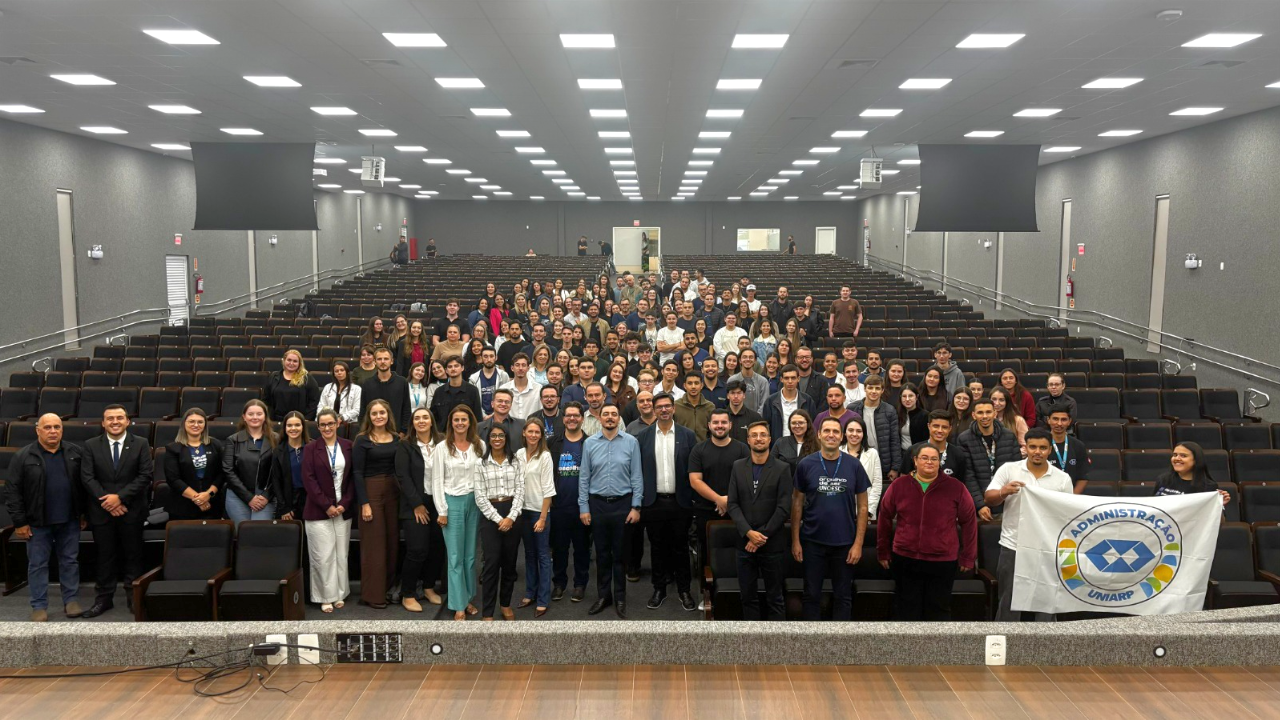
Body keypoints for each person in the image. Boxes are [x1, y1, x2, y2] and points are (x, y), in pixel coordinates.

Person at [878, 443, 977, 621]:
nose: (929, 462)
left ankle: (936, 649)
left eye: (934, 459)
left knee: (938, 609)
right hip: (906, 558)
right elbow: (884, 517)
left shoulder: (956, 487)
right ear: (915, 461)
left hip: (943, 560)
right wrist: (883, 551)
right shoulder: (899, 485)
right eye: (924, 458)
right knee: (906, 608)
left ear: (940, 463)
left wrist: (968, 556)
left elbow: (969, 522)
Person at [985, 429, 1075, 622]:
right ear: (1025, 447)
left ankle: (1045, 648)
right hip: (1013, 546)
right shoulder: (1009, 470)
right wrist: (1004, 491)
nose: (1037, 452)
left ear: (1050, 450)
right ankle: (1003, 646)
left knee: (1047, 603)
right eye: (1032, 447)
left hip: (1047, 549)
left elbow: (1067, 515)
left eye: (1043, 448)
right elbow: (989, 498)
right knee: (1009, 601)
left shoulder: (1062, 479)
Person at [5, 413, 85, 622]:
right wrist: (19, 522)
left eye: (57, 427)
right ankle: (39, 606)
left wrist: (83, 514)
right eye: (47, 427)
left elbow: (84, 486)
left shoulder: (75, 453)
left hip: (69, 520)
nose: (52, 431)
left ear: (62, 430)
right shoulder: (23, 456)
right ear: (37, 430)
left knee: (69, 561)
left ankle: (71, 600)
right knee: (38, 564)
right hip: (37, 523)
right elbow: (12, 492)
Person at [792, 417, 870, 621]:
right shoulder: (805, 464)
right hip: (812, 541)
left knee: (843, 597)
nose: (831, 435)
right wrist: (795, 540)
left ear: (842, 436)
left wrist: (859, 544)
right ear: (818, 435)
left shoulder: (854, 465)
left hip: (845, 543)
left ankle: (840, 647)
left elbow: (862, 507)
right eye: (826, 431)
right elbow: (797, 504)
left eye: (836, 432)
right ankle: (811, 646)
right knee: (811, 596)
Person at [78, 405, 152, 618]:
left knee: (133, 555)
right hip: (101, 512)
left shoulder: (140, 443)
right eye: (110, 418)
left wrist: (119, 498)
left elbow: (145, 475)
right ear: (103, 423)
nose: (115, 421)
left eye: (119, 417)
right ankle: (104, 599)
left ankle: (133, 597)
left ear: (128, 421)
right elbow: (87, 477)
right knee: (104, 557)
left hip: (132, 510)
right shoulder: (91, 445)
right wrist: (108, 501)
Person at [578, 403, 644, 618]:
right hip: (596, 505)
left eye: (613, 414)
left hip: (622, 505)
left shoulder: (631, 442)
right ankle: (603, 596)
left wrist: (636, 506)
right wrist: (584, 507)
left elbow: (637, 477)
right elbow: (584, 478)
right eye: (605, 414)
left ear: (618, 419)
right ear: (600, 419)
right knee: (601, 554)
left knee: (620, 554)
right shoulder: (589, 443)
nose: (609, 418)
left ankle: (621, 597)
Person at [635, 393, 699, 612]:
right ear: (653, 410)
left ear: (673, 408)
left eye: (667, 406)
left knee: (681, 548)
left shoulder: (687, 435)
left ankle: (684, 590)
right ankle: (659, 589)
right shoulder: (643, 437)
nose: (663, 410)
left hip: (680, 501)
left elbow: (693, 469)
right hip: (653, 502)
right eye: (659, 407)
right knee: (657, 548)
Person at [724, 420, 792, 620]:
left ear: (770, 439)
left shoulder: (782, 468)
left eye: (763, 435)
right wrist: (749, 533)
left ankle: (777, 646)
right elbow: (733, 504)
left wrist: (762, 536)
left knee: (775, 597)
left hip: (772, 545)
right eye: (754, 435)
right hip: (744, 543)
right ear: (748, 440)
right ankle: (751, 646)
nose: (759, 438)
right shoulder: (737, 467)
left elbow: (783, 508)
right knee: (748, 597)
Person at [688, 409, 750, 595]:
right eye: (716, 423)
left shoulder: (742, 449)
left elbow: (747, 479)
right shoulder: (699, 449)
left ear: (730, 425)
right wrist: (718, 499)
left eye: (724, 422)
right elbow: (695, 481)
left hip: (737, 510)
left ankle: (739, 593)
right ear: (709, 426)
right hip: (706, 511)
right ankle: (706, 594)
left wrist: (728, 501)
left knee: (739, 553)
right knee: (707, 555)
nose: (720, 426)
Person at [433, 405, 484, 621]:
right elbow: (436, 480)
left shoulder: (479, 445)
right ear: (451, 423)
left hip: (474, 502)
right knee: (455, 557)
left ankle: (468, 597)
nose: (460, 423)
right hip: (451, 503)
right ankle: (458, 604)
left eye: (464, 419)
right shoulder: (442, 448)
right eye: (457, 420)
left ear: (470, 422)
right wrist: (442, 510)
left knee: (470, 556)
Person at [301, 410, 354, 613]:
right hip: (318, 509)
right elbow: (309, 480)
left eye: (330, 423)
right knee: (322, 556)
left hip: (343, 508)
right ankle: (325, 596)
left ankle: (340, 593)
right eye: (322, 425)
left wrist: (344, 503)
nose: (327, 428)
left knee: (341, 553)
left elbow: (352, 479)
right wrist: (327, 505)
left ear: (338, 423)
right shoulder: (311, 448)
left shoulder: (348, 446)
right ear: (318, 426)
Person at [394, 408, 444, 613]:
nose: (421, 421)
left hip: (439, 503)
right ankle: (407, 593)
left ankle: (429, 587)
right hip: (414, 505)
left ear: (431, 421)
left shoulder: (442, 442)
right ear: (412, 423)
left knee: (436, 547)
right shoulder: (405, 445)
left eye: (425, 417)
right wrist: (417, 504)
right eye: (417, 418)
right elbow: (402, 477)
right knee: (417, 549)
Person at [353, 399, 401, 608]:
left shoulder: (397, 438)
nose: (379, 416)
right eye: (374, 413)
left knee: (392, 543)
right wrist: (364, 503)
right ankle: (373, 595)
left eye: (382, 412)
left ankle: (388, 589)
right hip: (370, 492)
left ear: (388, 414)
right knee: (374, 546)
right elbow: (357, 473)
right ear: (369, 417)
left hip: (393, 492)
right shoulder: (362, 440)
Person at [475, 424, 525, 621]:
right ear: (488, 439)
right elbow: (479, 496)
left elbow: (521, 490)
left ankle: (505, 605)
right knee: (491, 565)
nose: (497, 438)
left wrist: (511, 517)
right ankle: (487, 611)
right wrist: (498, 519)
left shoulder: (516, 461)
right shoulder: (481, 464)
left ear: (506, 438)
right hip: (491, 516)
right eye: (493, 435)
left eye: (501, 435)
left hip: (513, 514)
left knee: (510, 564)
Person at [549, 403, 591, 602]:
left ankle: (580, 584)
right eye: (568, 415)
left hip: (583, 506)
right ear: (563, 418)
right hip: (558, 506)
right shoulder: (552, 443)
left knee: (582, 548)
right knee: (559, 549)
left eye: (576, 415)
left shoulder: (591, 443)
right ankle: (559, 583)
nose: (572, 419)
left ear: (582, 418)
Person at [957, 398, 1020, 523]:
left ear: (995, 413)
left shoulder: (1009, 436)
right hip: (980, 504)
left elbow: (1017, 470)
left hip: (1007, 503)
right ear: (974, 415)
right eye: (980, 413)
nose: (984, 416)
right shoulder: (964, 439)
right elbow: (968, 476)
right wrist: (980, 504)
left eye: (988, 412)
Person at [222, 399, 284, 525]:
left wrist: (267, 496)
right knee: (243, 533)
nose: (255, 417)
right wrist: (249, 498)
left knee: (259, 533)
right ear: (244, 417)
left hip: (265, 497)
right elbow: (228, 470)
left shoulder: (277, 439)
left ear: (265, 416)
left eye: (259, 414)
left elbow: (281, 471)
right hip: (238, 495)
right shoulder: (233, 440)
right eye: (250, 414)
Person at [517, 418, 556, 616]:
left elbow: (549, 490)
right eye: (530, 431)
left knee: (542, 556)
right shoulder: (518, 454)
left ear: (541, 435)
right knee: (529, 555)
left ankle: (543, 598)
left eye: (537, 432)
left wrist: (542, 518)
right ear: (524, 433)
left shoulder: (545, 456)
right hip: (522, 512)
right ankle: (530, 593)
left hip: (539, 512)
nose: (533, 435)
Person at [164, 408, 225, 522]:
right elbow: (173, 479)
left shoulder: (215, 444)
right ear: (184, 424)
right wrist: (198, 499)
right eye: (191, 421)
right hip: (182, 506)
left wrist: (208, 495)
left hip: (212, 505)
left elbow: (221, 474)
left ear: (205, 425)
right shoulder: (173, 448)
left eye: (200, 422)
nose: (196, 425)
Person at [849, 375, 902, 486]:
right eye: (870, 388)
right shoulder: (852, 408)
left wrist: (895, 467)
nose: (874, 391)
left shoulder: (890, 410)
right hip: (858, 460)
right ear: (865, 389)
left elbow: (895, 440)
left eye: (877, 388)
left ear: (882, 390)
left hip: (883, 463)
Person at [903, 411, 970, 488]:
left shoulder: (958, 454)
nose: (940, 430)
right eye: (936, 426)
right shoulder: (913, 451)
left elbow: (961, 486)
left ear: (950, 428)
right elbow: (903, 481)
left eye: (944, 427)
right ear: (929, 426)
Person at [1154, 442, 1232, 506]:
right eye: (1175, 455)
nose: (1177, 458)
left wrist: (1219, 505)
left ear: (1196, 460)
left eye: (1183, 456)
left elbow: (1215, 521)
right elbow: (1152, 507)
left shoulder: (1208, 486)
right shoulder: (1163, 480)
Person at [269, 411, 310, 523]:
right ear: (285, 428)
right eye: (289, 425)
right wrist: (284, 508)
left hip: (310, 500)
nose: (293, 428)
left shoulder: (312, 447)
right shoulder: (278, 451)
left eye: (297, 425)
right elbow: (276, 481)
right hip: (288, 501)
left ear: (303, 427)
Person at [841, 418, 884, 520]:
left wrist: (869, 510)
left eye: (859, 431)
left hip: (865, 509)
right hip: (841, 509)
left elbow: (876, 484)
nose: (854, 434)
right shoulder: (837, 452)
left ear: (864, 434)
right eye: (851, 430)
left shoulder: (873, 453)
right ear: (845, 433)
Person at [262, 349, 321, 421]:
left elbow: (314, 400)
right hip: (275, 420)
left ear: (299, 363)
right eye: (289, 360)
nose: (291, 363)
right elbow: (266, 399)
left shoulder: (307, 378)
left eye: (295, 361)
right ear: (284, 361)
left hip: (298, 420)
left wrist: (306, 418)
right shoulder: (273, 377)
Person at [361, 347, 411, 432]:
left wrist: (403, 431)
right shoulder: (367, 383)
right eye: (379, 359)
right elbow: (363, 410)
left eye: (386, 359)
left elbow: (406, 409)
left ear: (391, 361)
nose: (383, 362)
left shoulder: (402, 382)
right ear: (375, 362)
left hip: (397, 433)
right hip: (373, 432)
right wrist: (365, 431)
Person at [765, 364, 818, 442]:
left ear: (798, 379)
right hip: (778, 446)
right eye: (786, 378)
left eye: (793, 378)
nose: (790, 381)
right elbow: (766, 426)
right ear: (781, 379)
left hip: (803, 445)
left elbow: (812, 425)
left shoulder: (807, 400)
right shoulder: (771, 401)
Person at [430, 355, 483, 429]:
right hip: (443, 436)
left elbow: (478, 417)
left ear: (462, 368)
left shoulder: (472, 390)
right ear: (446, 370)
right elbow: (433, 417)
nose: (453, 369)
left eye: (456, 366)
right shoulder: (439, 392)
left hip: (466, 435)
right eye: (450, 367)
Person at [1045, 409, 1090, 493]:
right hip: (1046, 495)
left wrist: (1071, 498)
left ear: (1069, 421)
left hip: (1071, 496)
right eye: (1055, 419)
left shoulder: (1078, 445)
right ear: (1048, 420)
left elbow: (1083, 478)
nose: (1059, 423)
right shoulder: (1041, 445)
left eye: (1064, 419)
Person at [317, 360, 362, 427]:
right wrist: (323, 419)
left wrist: (341, 418)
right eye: (336, 371)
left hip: (347, 424)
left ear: (347, 372)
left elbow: (356, 410)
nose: (339, 373)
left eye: (342, 370)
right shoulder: (327, 387)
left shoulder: (356, 389)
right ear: (334, 374)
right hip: (328, 423)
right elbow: (321, 406)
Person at [772, 409, 819, 473]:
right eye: (794, 423)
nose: (797, 426)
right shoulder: (780, 442)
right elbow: (771, 465)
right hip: (785, 481)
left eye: (801, 423)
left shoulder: (817, 444)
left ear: (808, 424)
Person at [673, 373, 716, 442]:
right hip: (682, 447)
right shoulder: (676, 406)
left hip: (704, 447)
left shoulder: (710, 407)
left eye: (696, 383)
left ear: (701, 385)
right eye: (690, 383)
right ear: (684, 385)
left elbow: (713, 430)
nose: (693, 386)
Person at [898, 384, 930, 454]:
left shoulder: (925, 415)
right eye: (904, 396)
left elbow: (927, 440)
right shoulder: (897, 414)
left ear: (917, 397)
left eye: (910, 396)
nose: (907, 399)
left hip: (919, 453)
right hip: (902, 454)